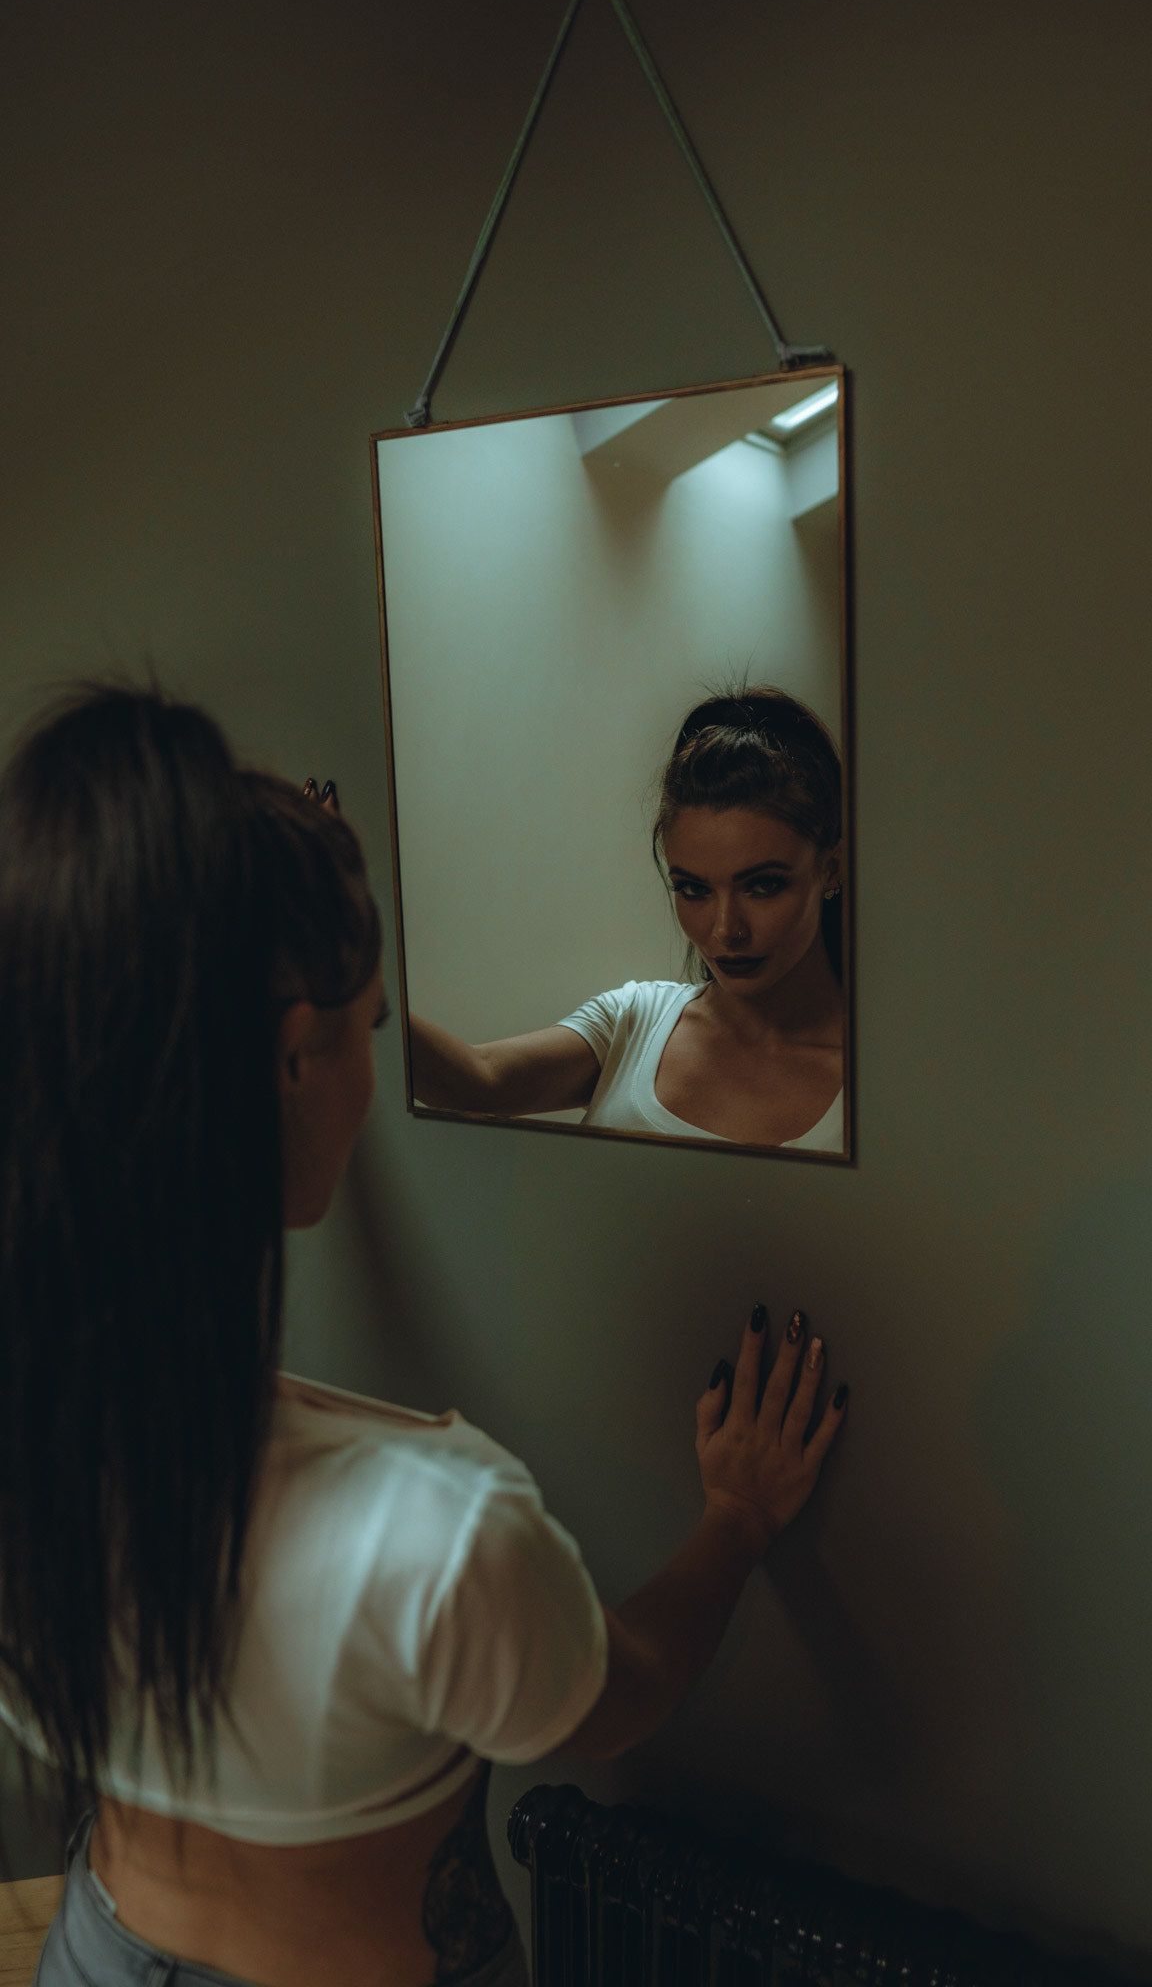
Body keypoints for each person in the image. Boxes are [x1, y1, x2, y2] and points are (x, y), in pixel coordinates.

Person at [0, 684, 848, 1987]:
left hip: (96, 1950)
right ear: (296, 1054)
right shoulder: (436, 1527)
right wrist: (733, 1519)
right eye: (372, 1019)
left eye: (763, 883)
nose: (724, 921)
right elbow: (620, 1696)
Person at [410, 687, 845, 1153]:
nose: (725, 930)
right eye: (694, 889)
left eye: (763, 886)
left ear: (832, 868)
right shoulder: (637, 1021)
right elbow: (477, 1081)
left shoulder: (885, 1075)